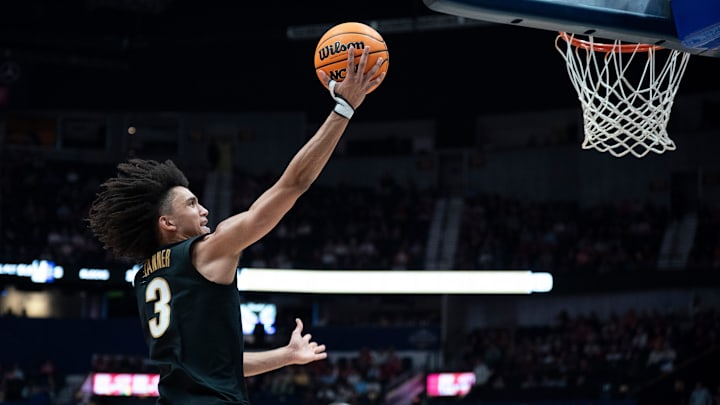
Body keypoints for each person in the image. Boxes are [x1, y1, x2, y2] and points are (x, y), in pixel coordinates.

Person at [87, 45, 386, 404]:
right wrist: (344, 109)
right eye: (192, 203)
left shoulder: (145, 276)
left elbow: (216, 365)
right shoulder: (207, 250)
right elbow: (292, 185)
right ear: (166, 222)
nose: (205, 211)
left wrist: (286, 356)